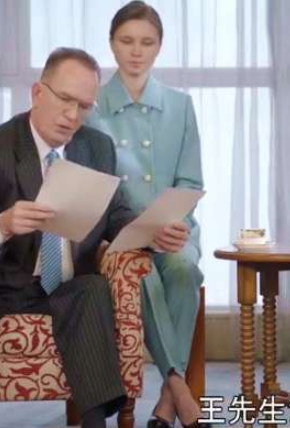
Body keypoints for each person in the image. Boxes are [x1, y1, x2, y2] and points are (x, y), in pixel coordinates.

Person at [0, 47, 191, 428]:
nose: (73, 116)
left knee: (94, 289)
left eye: (84, 106)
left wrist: (152, 231)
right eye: (65, 100)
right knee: (89, 298)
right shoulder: (4, 145)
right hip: (8, 290)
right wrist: (4, 224)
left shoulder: (95, 147)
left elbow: (116, 213)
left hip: (69, 289)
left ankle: (93, 423)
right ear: (37, 93)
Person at [86, 2, 205, 427]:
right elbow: (89, 186)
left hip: (174, 230)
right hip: (117, 237)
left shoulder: (180, 105)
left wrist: (173, 225)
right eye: (127, 41)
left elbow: (190, 180)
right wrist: (135, 232)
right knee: (142, 274)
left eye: (147, 42)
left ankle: (170, 397)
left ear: (159, 47)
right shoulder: (91, 106)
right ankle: (177, 387)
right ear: (112, 44)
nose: (136, 51)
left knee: (183, 270)